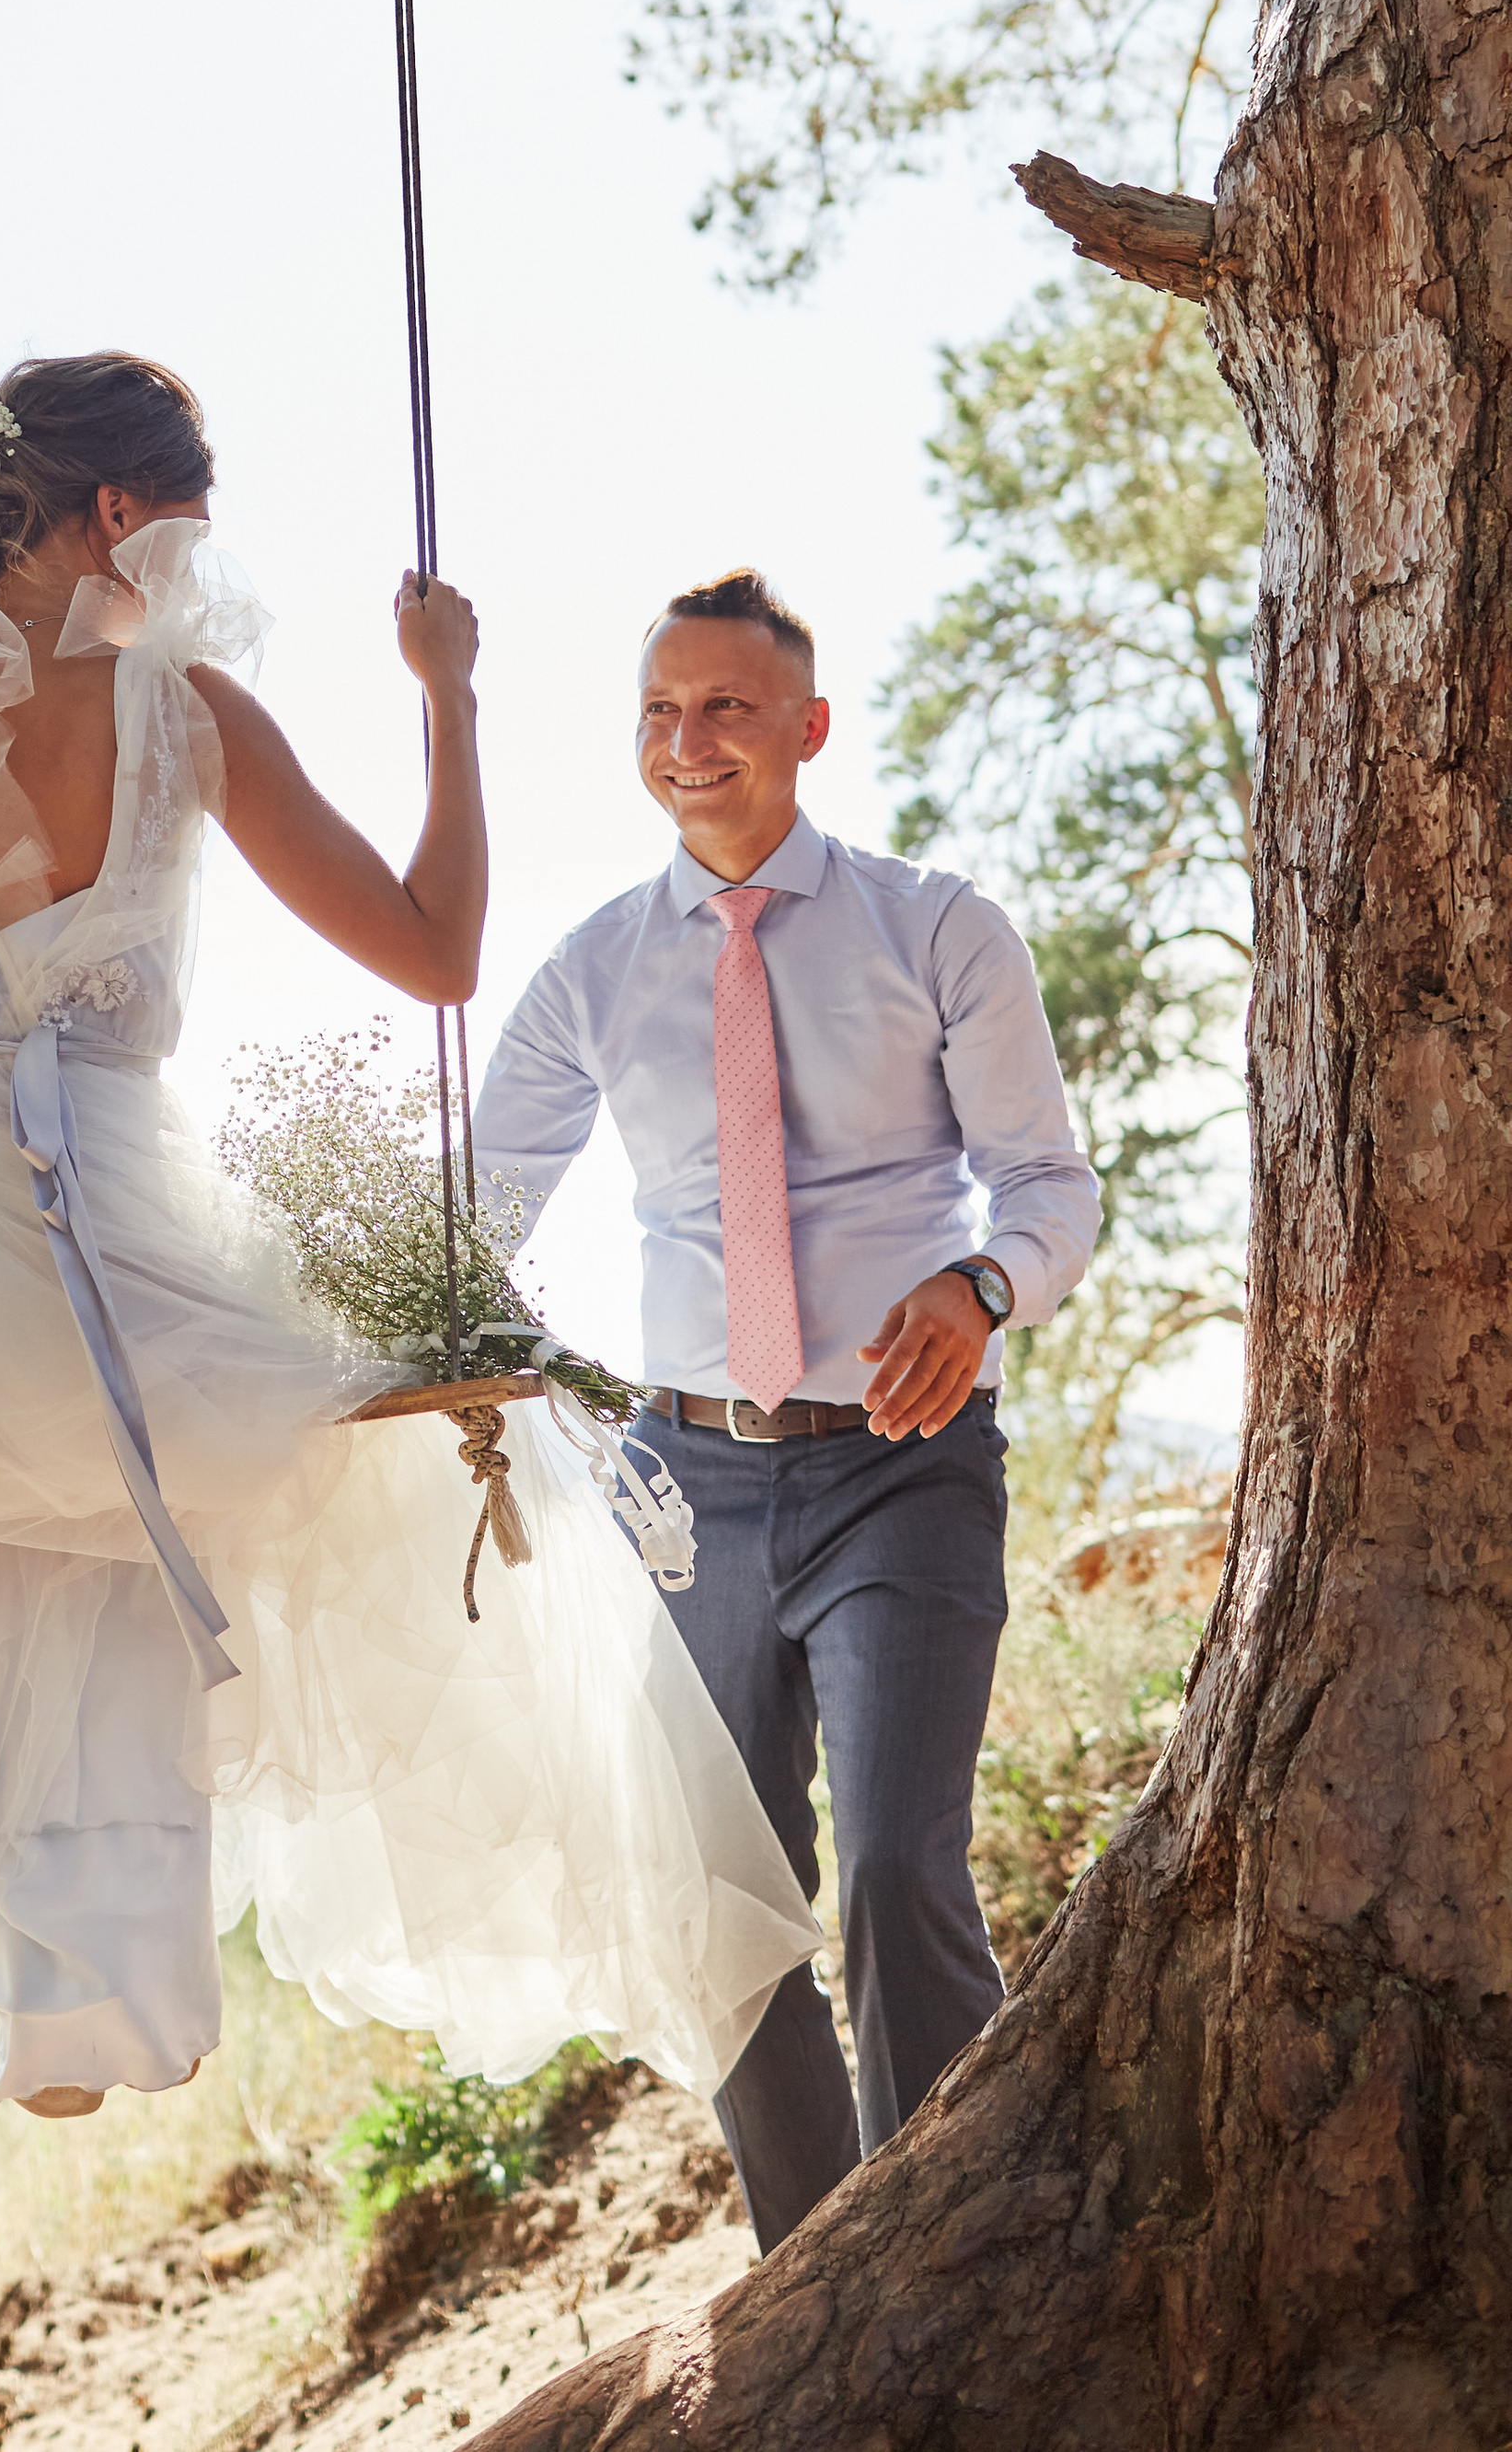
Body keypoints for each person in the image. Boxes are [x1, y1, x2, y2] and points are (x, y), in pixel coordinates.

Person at [0, 357, 816, 2122]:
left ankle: (53, 1997)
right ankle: (138, 1982)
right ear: (111, 512)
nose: (189, 554)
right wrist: (448, 702)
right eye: (184, 518)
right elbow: (435, 947)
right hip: (127, 1242)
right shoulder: (194, 715)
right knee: (191, 1546)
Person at [470, 566, 1101, 2250]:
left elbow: (1049, 1187)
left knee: (898, 1867)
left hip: (903, 1465)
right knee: (725, 1904)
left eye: (726, 707)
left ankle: (950, 2248)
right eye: (661, 711)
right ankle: (820, 2270)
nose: (689, 742)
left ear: (808, 727)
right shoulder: (593, 969)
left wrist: (980, 1293)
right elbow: (475, 1206)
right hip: (685, 1482)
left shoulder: (938, 926)